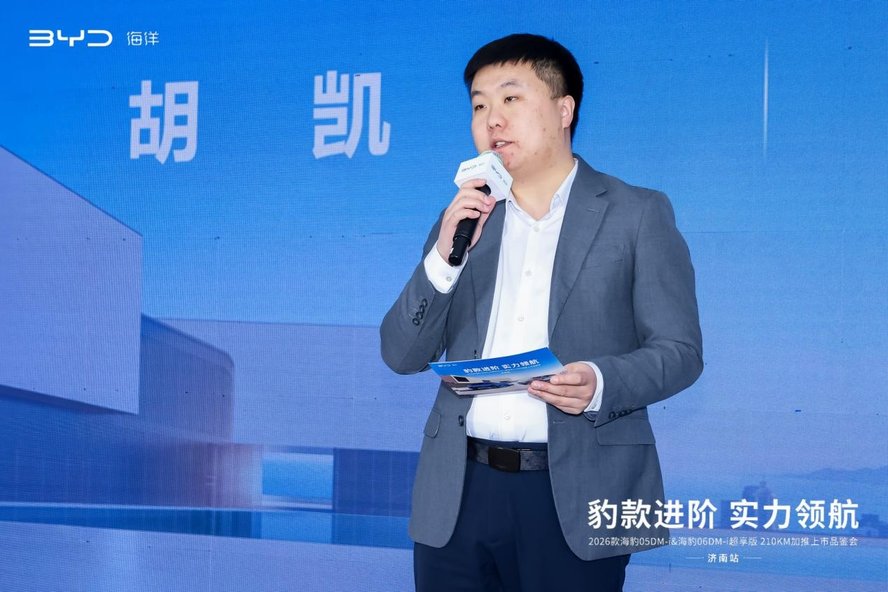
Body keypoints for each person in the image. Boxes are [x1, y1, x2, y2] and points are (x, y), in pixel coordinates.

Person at [380, 33, 703, 592]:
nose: (492, 120)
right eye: (479, 105)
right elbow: (401, 354)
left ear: (563, 109)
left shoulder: (636, 213)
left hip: (576, 491)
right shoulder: (463, 221)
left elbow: (680, 352)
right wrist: (442, 260)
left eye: (511, 98)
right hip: (458, 492)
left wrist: (601, 381)